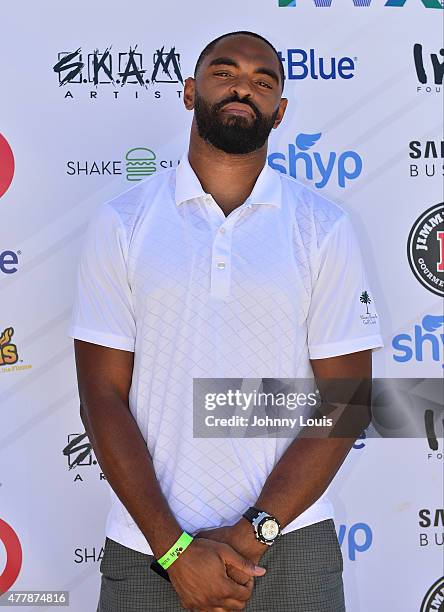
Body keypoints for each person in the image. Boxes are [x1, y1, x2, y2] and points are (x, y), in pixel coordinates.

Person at [69, 30, 384, 612]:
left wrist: (248, 537)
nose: (244, 85)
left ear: (280, 112)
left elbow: (347, 399)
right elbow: (100, 395)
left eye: (264, 81)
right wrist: (173, 550)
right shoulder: (123, 224)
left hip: (289, 546)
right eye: (225, 71)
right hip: (147, 549)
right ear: (190, 92)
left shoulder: (322, 228)